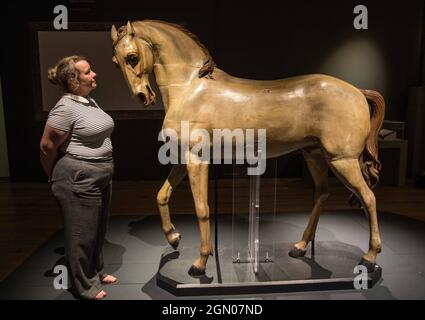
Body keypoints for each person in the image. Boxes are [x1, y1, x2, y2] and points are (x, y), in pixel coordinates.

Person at [40, 55, 117, 300]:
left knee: (97, 229)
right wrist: (52, 175)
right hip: (78, 176)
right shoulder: (65, 107)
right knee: (81, 233)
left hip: (101, 173)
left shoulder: (88, 101)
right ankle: (83, 285)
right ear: (74, 81)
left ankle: (94, 271)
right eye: (88, 72)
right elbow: (46, 146)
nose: (94, 74)